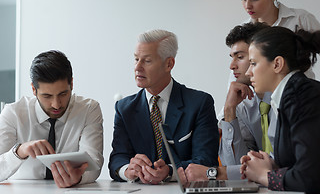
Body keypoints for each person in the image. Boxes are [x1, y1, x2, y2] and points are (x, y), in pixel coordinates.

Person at [108, 29, 219, 184]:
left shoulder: (200, 103)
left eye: (146, 61)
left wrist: (170, 171)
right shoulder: (124, 108)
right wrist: (128, 169)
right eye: (136, 59)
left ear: (169, 64)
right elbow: (117, 159)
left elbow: (206, 160)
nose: (137, 67)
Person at [217, 0, 320, 130]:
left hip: (301, 103)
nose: (247, 6)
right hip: (261, 111)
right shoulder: (244, 31)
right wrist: (224, 119)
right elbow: (236, 78)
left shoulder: (301, 19)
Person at [179, 22, 276, 182]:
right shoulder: (244, 103)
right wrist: (229, 110)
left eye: (240, 57)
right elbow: (235, 165)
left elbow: (286, 166)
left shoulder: (289, 100)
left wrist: (213, 173)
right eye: (232, 58)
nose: (232, 66)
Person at [0, 50, 103, 188]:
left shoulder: (89, 110)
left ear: (71, 84)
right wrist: (20, 151)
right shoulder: (13, 113)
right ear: (33, 89)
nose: (56, 104)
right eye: (47, 96)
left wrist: (78, 177)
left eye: (63, 94)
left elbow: (94, 163)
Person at [240, 26, 320, 192]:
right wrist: (273, 165)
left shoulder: (302, 97)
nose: (248, 72)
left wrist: (264, 175)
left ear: (277, 64)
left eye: (253, 63)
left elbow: (308, 177)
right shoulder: (290, 95)